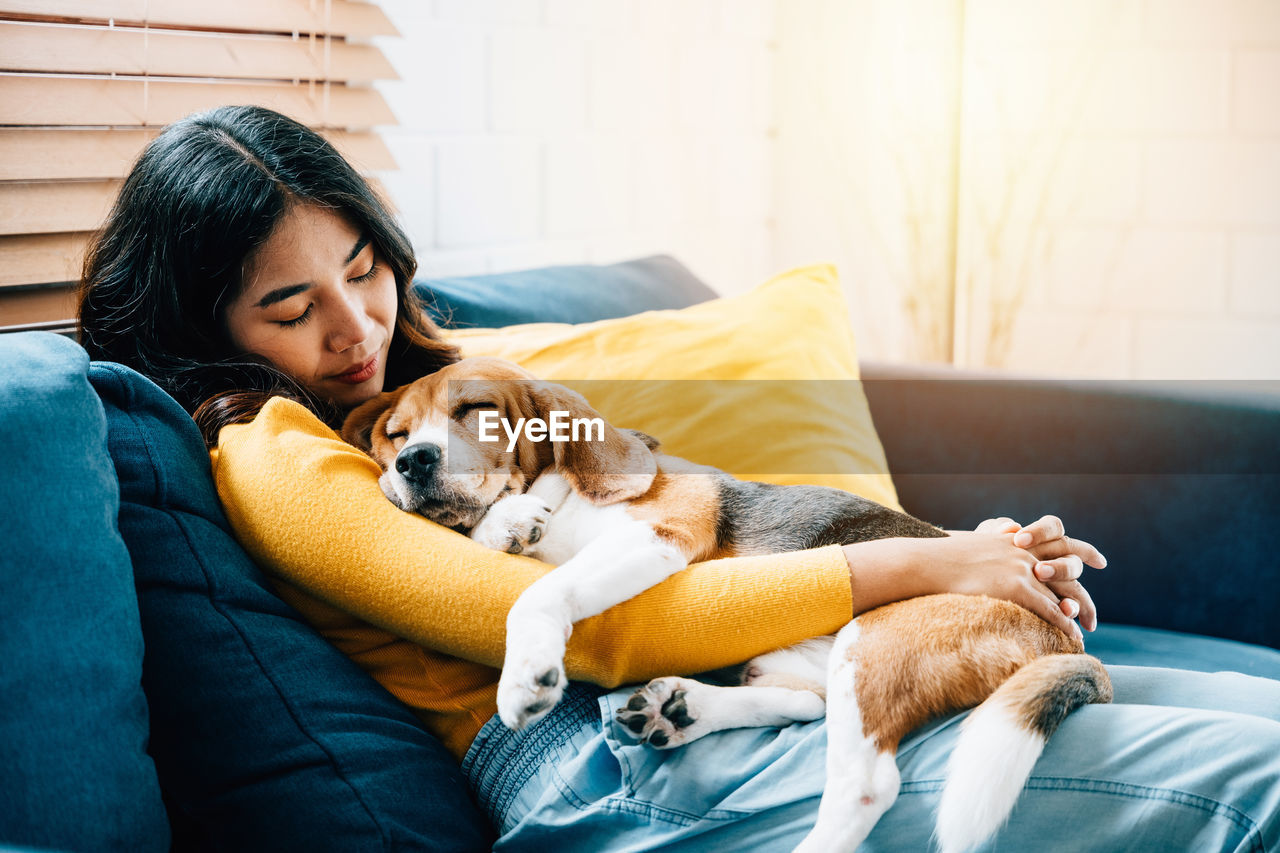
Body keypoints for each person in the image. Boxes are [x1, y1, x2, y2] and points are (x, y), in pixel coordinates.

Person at [77, 105, 1280, 851]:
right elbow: (581, 639)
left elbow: (682, 512)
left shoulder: (447, 388)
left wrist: (983, 573)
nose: (356, 329)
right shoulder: (277, 454)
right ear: (207, 328)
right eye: (292, 306)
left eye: (363, 270)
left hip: (769, 691)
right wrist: (923, 559)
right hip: (615, 762)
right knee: (1256, 787)